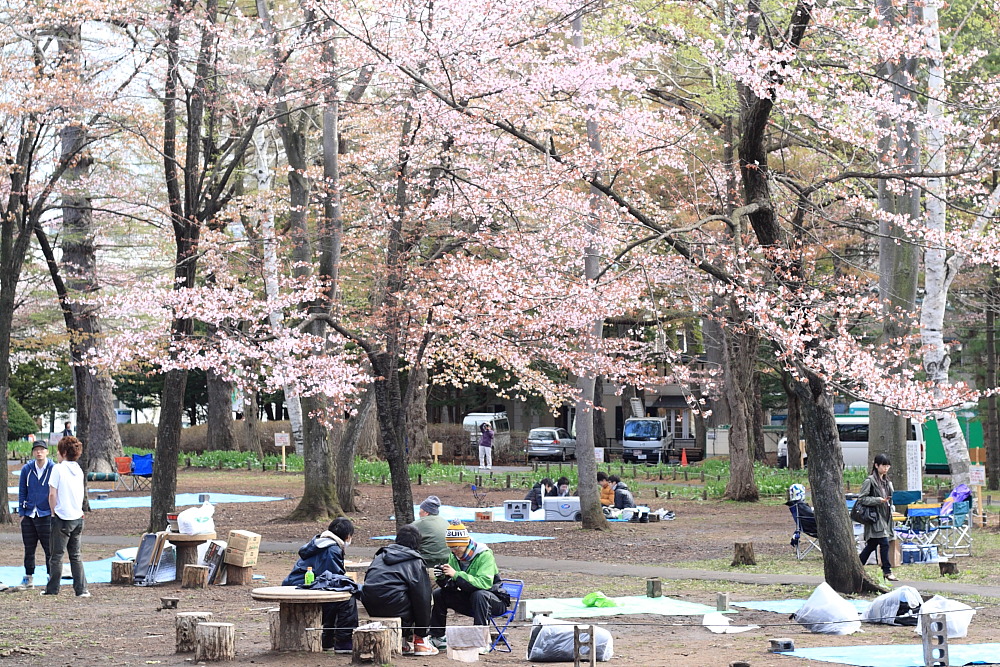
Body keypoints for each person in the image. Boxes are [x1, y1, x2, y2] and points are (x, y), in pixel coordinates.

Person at [428, 523, 508, 651]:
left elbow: (484, 584)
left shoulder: (484, 554)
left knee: (480, 594)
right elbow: (452, 587)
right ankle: (437, 637)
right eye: (450, 547)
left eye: (456, 547)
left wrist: (456, 574)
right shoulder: (454, 556)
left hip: (494, 601)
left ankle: (481, 641)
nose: (454, 551)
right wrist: (443, 578)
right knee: (439, 593)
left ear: (465, 543)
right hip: (470, 600)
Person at [282, 517, 359, 652]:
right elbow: (334, 578)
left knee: (336, 596)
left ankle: (327, 640)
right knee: (346, 598)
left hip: (297, 584)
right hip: (303, 586)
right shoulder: (331, 549)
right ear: (348, 536)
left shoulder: (319, 543)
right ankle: (343, 642)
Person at [361, 525, 438, 656]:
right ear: (417, 543)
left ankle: (402, 642)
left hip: (370, 604)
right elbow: (422, 599)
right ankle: (420, 642)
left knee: (400, 593)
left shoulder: (380, 556)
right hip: (395, 607)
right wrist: (422, 631)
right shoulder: (415, 561)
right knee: (423, 599)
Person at [43, 436, 89, 597]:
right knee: (75, 555)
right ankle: (81, 589)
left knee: (56, 555)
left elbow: (52, 494)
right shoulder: (78, 469)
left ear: (62, 452)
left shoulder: (58, 469)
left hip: (62, 517)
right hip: (78, 516)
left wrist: (53, 511)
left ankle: (52, 589)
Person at [857, 453, 898, 582]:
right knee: (884, 542)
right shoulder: (870, 481)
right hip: (874, 517)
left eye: (888, 466)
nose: (886, 468)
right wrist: (878, 500)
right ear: (876, 465)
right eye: (883, 465)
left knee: (872, 545)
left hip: (885, 516)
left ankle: (857, 566)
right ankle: (887, 570)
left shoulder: (887, 482)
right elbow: (862, 499)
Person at [18, 441, 54, 587]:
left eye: (41, 450)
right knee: (29, 547)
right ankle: (28, 577)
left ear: (47, 452)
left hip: (46, 513)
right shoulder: (27, 469)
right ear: (33, 452)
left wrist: (54, 511)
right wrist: (21, 512)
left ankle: (51, 577)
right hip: (29, 513)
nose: (39, 452)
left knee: (49, 548)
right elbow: (22, 490)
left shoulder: (53, 468)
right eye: (36, 450)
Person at [411, 495, 450, 567]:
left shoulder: (418, 524)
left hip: (427, 564)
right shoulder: (445, 522)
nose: (419, 513)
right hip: (447, 563)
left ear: (426, 512)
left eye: (420, 510)